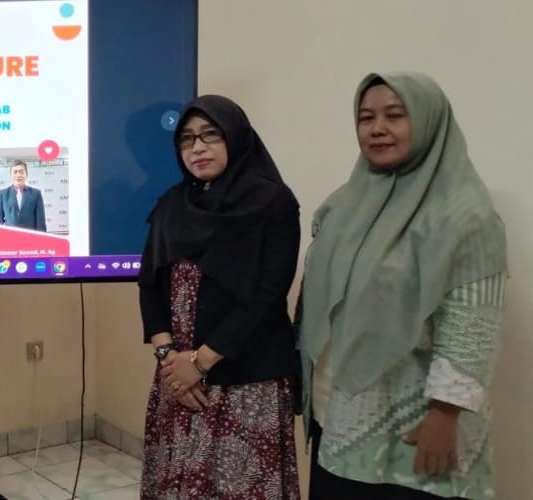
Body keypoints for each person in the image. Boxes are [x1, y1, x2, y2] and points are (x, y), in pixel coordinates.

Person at [298, 73, 507, 499]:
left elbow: (472, 323)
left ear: (430, 122)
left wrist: (445, 415)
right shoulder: (344, 203)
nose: (377, 128)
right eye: (366, 117)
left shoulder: (466, 214)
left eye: (395, 115)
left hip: (418, 420)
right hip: (339, 409)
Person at [137, 95, 302, 499]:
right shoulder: (172, 205)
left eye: (211, 135)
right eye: (188, 139)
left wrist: (201, 361)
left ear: (236, 137)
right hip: (179, 379)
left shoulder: (272, 203)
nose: (197, 147)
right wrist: (168, 359)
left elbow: (267, 294)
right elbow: (149, 283)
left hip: (247, 379)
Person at [0, 160, 47, 231]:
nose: (18, 175)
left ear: (26, 174)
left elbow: (40, 221)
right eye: (15, 172)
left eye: (21, 172)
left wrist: (42, 239)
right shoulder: (2, 194)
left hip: (30, 238)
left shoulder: (36, 194)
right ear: (11, 174)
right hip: (10, 238)